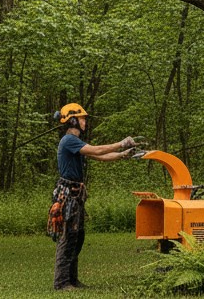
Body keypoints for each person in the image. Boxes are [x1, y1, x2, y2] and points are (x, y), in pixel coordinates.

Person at [51, 103, 136, 291]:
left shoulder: (76, 144)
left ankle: (72, 280)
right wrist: (122, 142)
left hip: (76, 195)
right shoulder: (69, 140)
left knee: (78, 236)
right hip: (69, 195)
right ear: (72, 120)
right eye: (82, 119)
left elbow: (101, 157)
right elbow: (97, 150)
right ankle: (61, 282)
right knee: (68, 237)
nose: (85, 122)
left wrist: (123, 154)